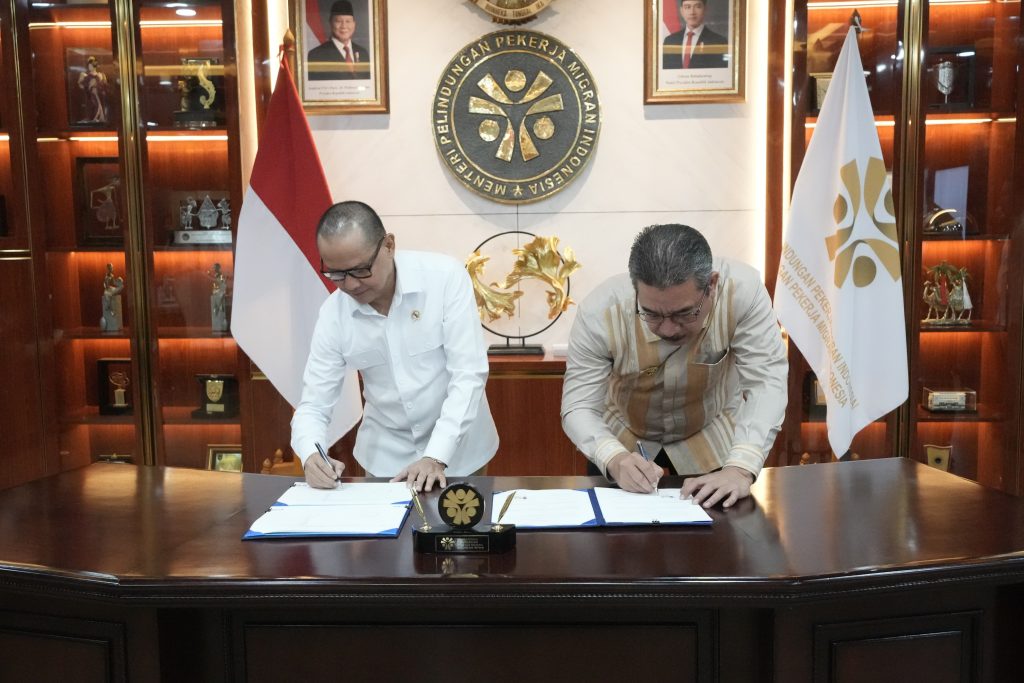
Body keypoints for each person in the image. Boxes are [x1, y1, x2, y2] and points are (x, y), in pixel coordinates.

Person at [561, 224, 787, 508]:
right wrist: (613, 458)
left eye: (684, 313)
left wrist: (740, 468)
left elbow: (766, 382)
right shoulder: (600, 312)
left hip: (711, 434)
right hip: (624, 436)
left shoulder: (742, 293)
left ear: (712, 285)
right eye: (651, 314)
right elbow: (579, 405)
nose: (667, 329)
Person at [291, 201, 498, 492]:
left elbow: (468, 374)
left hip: (460, 453)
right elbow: (314, 403)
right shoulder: (333, 314)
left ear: (388, 245)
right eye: (336, 274)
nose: (350, 285)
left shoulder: (444, 278)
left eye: (360, 270)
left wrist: (435, 455)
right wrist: (311, 455)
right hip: (385, 459)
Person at [307, 0, 371, 81]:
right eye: (338, 21)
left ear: (354, 24)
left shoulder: (363, 53)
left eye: (348, 21)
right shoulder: (316, 55)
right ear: (331, 23)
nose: (344, 26)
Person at [662, 0, 729, 70]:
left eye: (697, 7)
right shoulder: (669, 41)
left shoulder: (719, 42)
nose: (692, 12)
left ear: (705, 9)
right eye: (687, 7)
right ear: (681, 11)